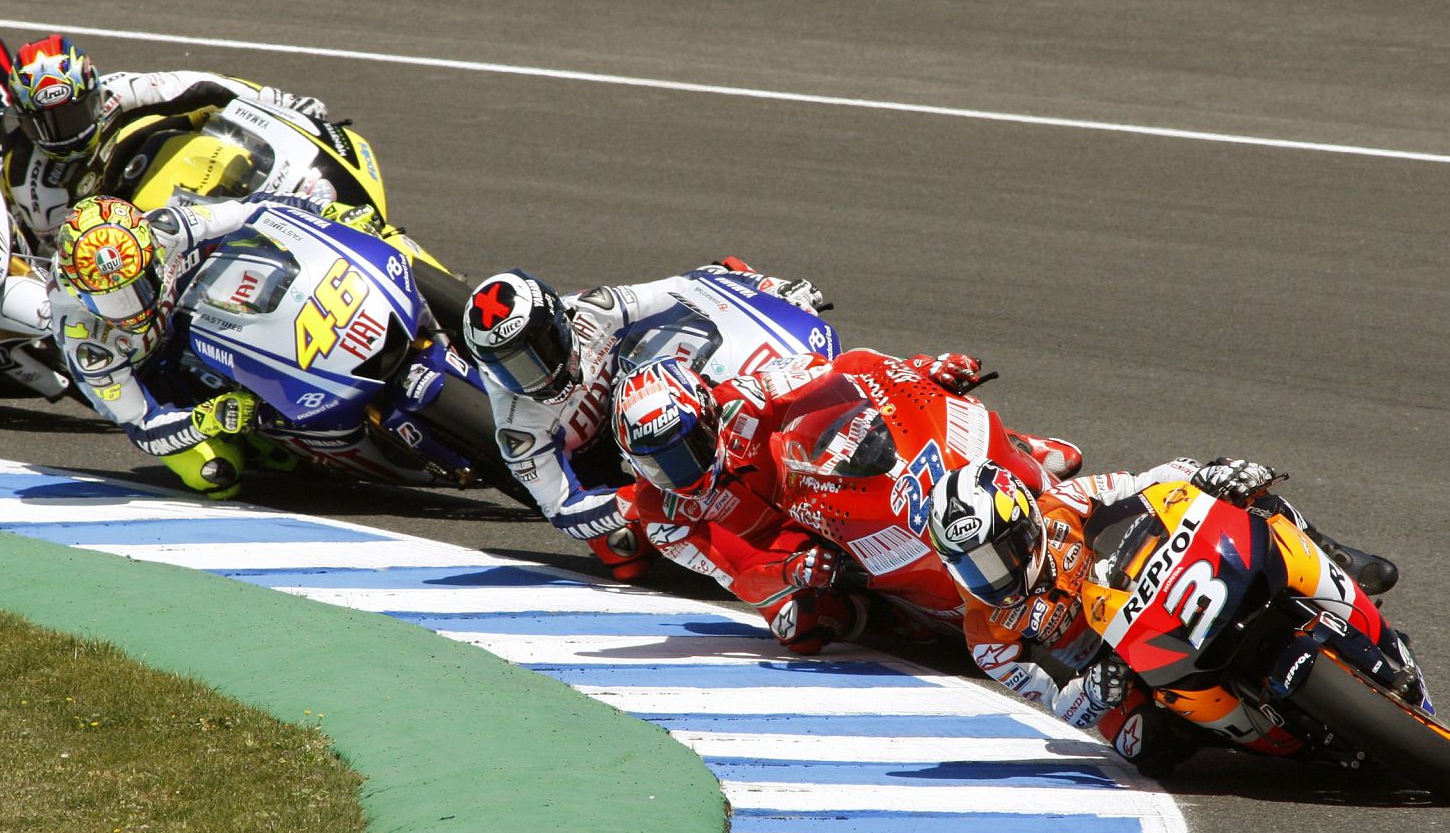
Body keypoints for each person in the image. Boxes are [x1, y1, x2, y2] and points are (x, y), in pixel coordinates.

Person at [925, 456, 1400, 772]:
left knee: (1242, 496)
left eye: (999, 554)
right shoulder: (985, 635)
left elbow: (1147, 484)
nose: (994, 577)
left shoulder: (1063, 505)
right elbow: (1058, 704)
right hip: (1117, 665)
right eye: (972, 566)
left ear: (1025, 523)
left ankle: (1333, 556)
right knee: (1140, 745)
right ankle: (1244, 727)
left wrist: (1205, 475)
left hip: (1148, 584)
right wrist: (1093, 691)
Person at [610, 352, 1084, 653]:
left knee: (913, 430)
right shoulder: (665, 516)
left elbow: (844, 371)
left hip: (820, 483)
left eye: (686, 451)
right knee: (801, 628)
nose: (681, 474)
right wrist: (791, 571)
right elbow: (737, 572)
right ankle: (897, 614)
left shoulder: (745, 399)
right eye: (658, 465)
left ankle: (1014, 450)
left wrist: (921, 371)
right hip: (790, 548)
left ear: (709, 415)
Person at [458, 258, 830, 581]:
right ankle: (761, 568)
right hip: (609, 473)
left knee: (725, 271)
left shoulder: (595, 309)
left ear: (560, 324)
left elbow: (690, 286)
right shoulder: (517, 424)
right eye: (510, 370)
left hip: (649, 393)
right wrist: (635, 501)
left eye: (535, 355)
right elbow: (564, 509)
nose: (533, 379)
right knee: (626, 556)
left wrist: (771, 289)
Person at [48, 192, 334, 498]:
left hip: (183, 318)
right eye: (108, 301)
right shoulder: (87, 346)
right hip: (145, 379)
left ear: (152, 256)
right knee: (218, 475)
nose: (128, 310)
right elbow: (144, 428)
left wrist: (327, 213)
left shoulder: (164, 229)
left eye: (138, 286)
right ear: (79, 294)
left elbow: (252, 209)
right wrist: (207, 419)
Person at [0, 34, 328, 251]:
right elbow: (80, 261)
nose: (64, 135)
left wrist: (280, 101)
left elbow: (199, 86)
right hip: (101, 240)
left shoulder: (117, 93)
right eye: (43, 125)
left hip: (122, 182)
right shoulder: (38, 188)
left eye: (72, 117)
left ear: (95, 95)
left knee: (192, 127)